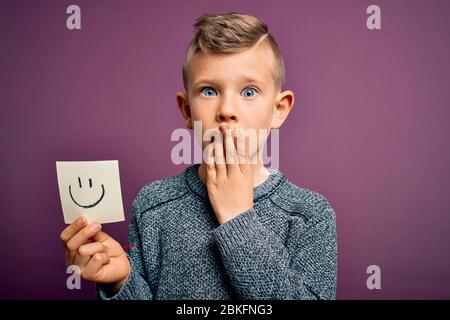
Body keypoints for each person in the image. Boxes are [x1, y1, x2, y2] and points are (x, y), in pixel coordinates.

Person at [60, 12, 337, 300]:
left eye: (249, 91)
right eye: (209, 90)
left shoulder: (309, 214)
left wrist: (237, 218)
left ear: (279, 109)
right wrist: (120, 282)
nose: (227, 109)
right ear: (187, 110)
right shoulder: (153, 205)